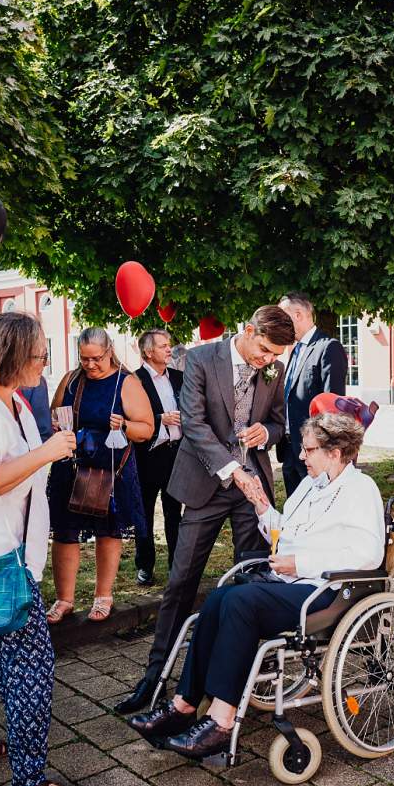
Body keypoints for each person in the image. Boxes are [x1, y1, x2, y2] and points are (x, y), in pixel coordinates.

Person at [126, 412, 384, 759]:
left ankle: (221, 720)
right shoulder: (310, 484)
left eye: (309, 450)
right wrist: (262, 505)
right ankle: (183, 704)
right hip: (289, 581)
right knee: (218, 598)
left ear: (335, 453)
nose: (301, 457)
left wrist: (301, 563)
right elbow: (285, 535)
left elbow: (368, 554)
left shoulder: (360, 489)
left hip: (326, 591)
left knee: (242, 602)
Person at [115, 306, 294, 716]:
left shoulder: (274, 369)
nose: (267, 361)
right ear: (247, 331)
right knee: (181, 582)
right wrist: (233, 469)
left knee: (251, 579)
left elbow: (281, 423)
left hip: (254, 490)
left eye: (275, 357)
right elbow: (193, 425)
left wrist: (267, 432)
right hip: (205, 485)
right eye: (264, 350)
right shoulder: (199, 358)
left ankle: (244, 675)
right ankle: (154, 676)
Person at [0, 311, 87, 786]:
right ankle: (29, 784)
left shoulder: (10, 401)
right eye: (39, 354)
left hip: (14, 554)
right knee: (31, 666)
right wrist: (48, 453)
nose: (44, 362)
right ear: (12, 356)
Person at [45, 328, 154, 624]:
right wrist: (56, 424)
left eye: (96, 358)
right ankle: (64, 599)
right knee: (65, 532)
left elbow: (147, 429)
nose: (90, 365)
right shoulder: (71, 379)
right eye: (85, 359)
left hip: (111, 468)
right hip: (72, 465)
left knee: (108, 531)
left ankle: (103, 595)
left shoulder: (126, 382)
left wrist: (125, 426)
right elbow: (55, 413)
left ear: (109, 352)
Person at [276, 293, 349, 499]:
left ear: (298, 315)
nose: (280, 325)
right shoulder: (294, 351)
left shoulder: (328, 348)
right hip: (289, 448)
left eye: (283, 318)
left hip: (314, 451)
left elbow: (333, 409)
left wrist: (322, 450)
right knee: (295, 509)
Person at [133, 329, 184, 586]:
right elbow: (128, 417)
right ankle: (144, 565)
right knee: (144, 513)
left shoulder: (178, 377)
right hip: (148, 455)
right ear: (148, 352)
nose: (169, 349)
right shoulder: (135, 380)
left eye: (169, 345)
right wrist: (158, 419)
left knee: (174, 512)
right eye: (163, 346)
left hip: (176, 454)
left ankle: (177, 565)